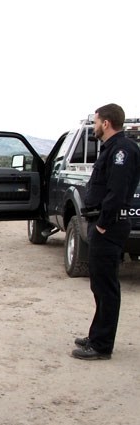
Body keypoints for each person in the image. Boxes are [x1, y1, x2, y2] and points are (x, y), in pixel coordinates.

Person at [72, 103, 140, 360]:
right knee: (99, 285)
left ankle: (102, 346)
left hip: (109, 226)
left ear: (107, 123)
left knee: (106, 286)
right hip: (105, 224)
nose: (95, 126)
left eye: (97, 121)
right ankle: (97, 335)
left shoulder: (122, 150)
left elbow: (118, 191)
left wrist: (102, 223)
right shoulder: (112, 148)